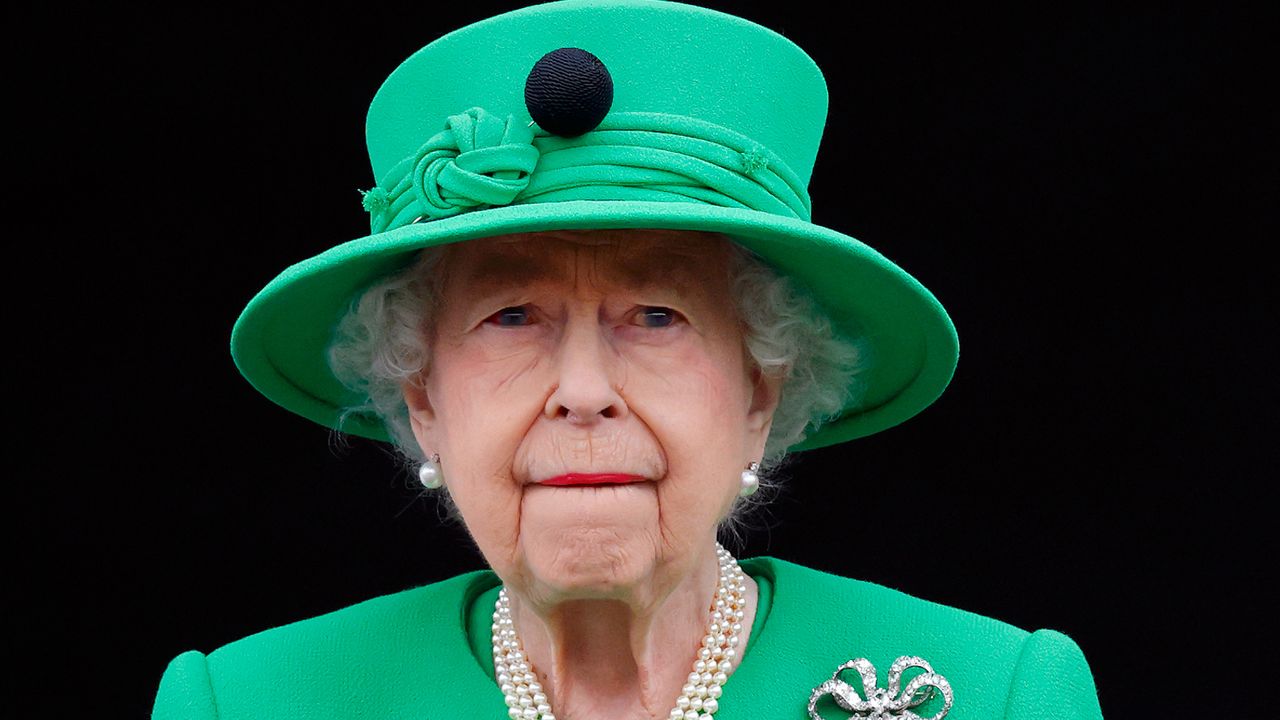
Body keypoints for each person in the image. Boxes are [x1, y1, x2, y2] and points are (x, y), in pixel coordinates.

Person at [152, 1, 1103, 718]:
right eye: (512, 315)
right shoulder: (245, 701)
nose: (583, 391)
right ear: (423, 399)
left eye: (655, 314)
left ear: (761, 392)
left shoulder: (999, 692)